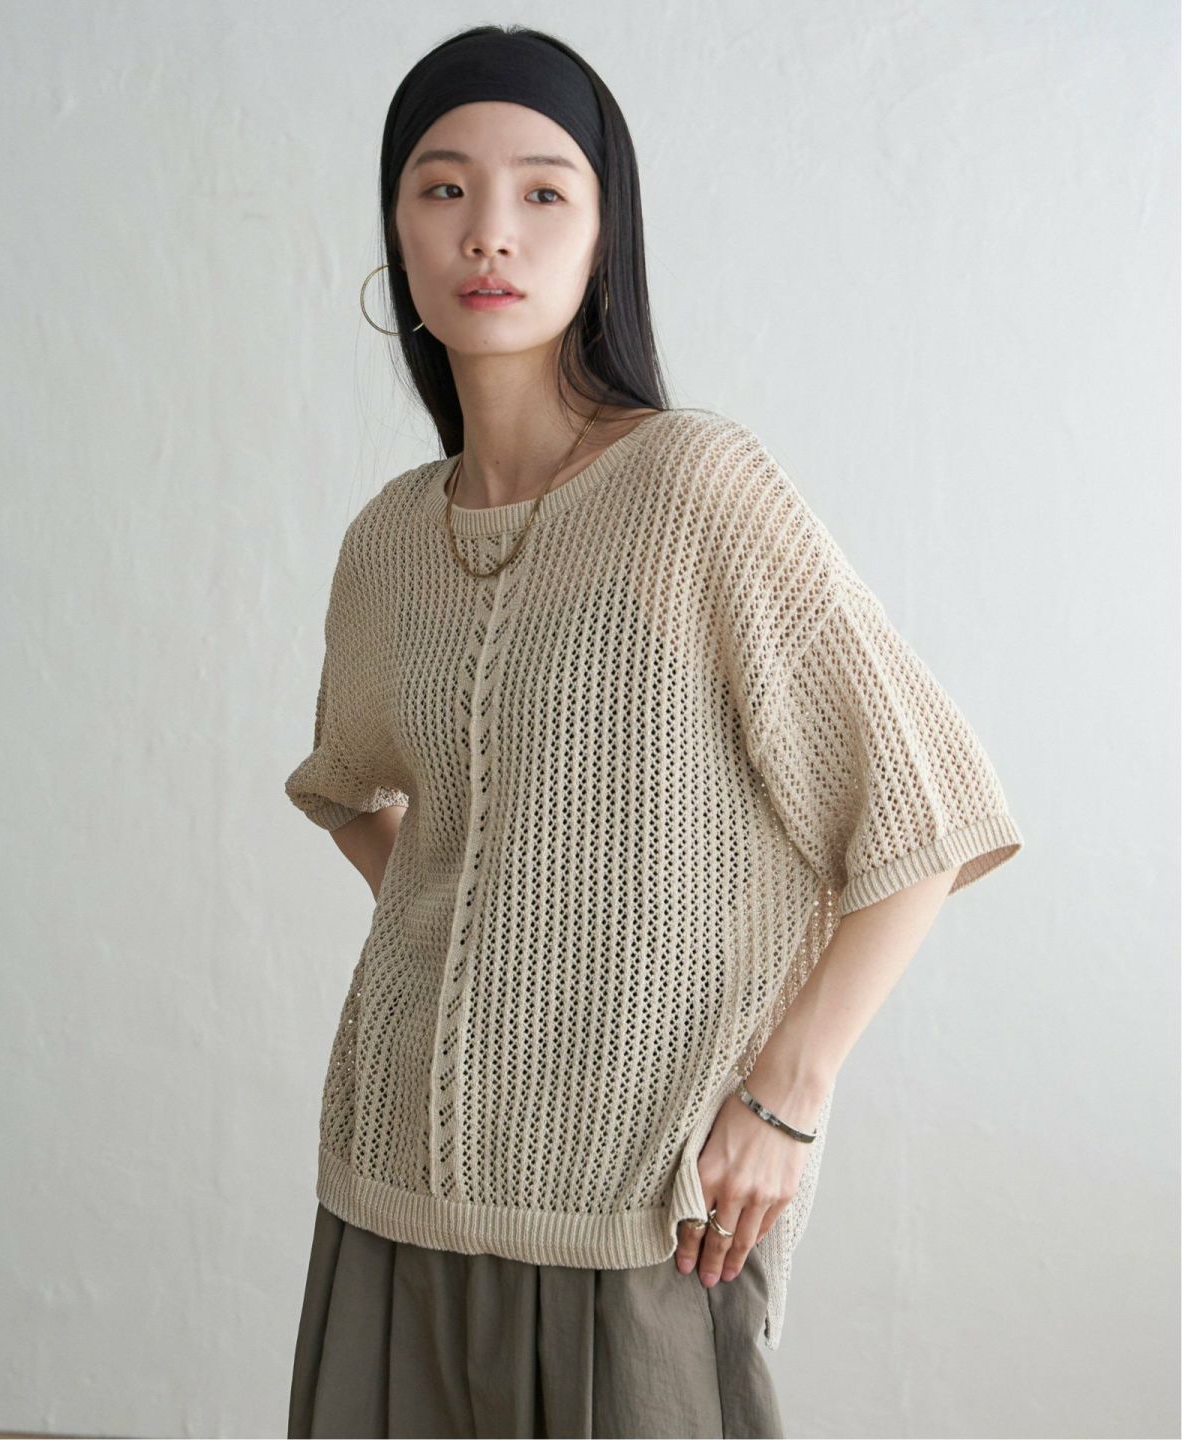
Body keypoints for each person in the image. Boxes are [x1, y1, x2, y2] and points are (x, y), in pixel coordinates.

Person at [283, 24, 1024, 1440]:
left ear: (604, 238)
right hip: (391, 1183)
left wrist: (786, 1100)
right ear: (396, 234)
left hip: (640, 1202)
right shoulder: (388, 542)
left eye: (542, 190)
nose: (489, 231)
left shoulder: (696, 487)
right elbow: (347, 786)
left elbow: (925, 817)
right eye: (442, 189)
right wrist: (484, 930)